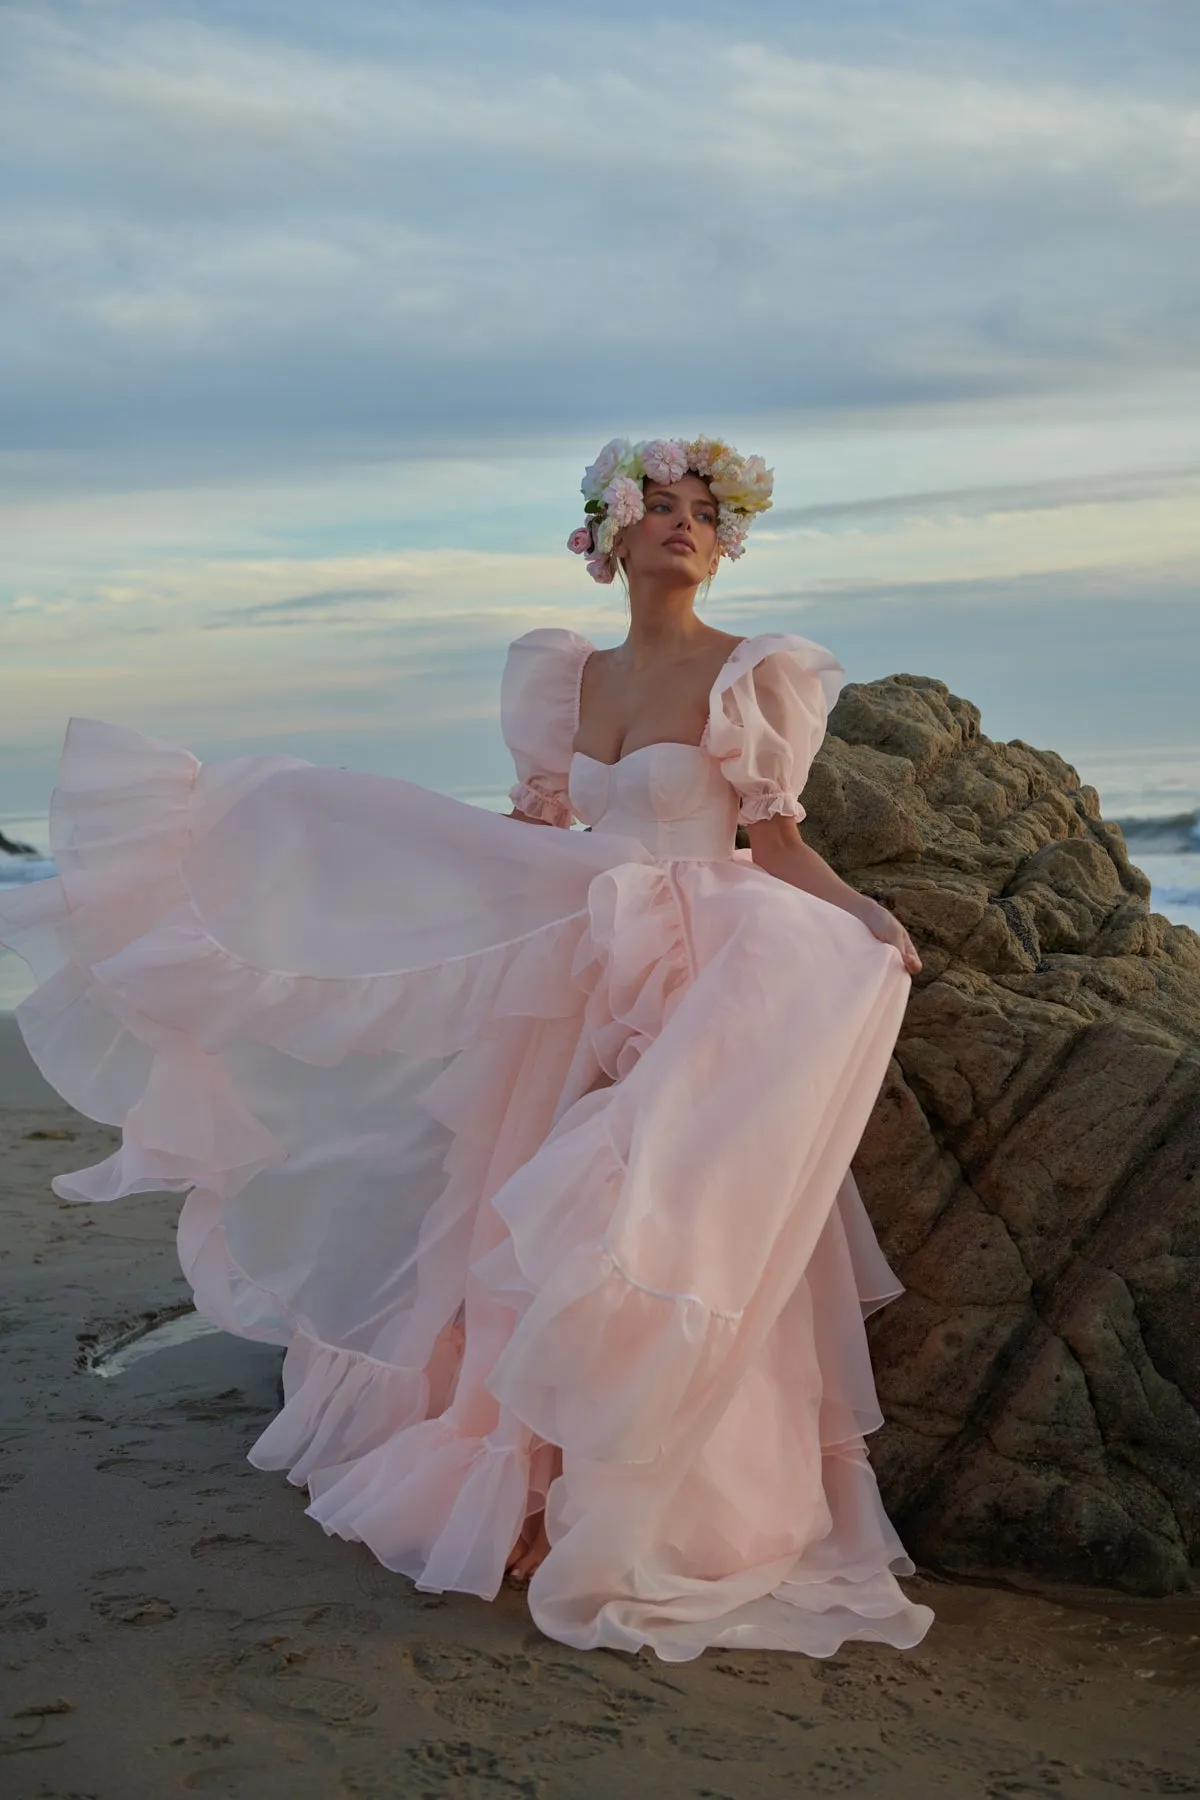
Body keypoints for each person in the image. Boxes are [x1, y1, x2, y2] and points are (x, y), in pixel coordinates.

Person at [0, 434, 933, 1662]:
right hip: (574, 974)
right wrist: (411, 877)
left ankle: (639, 1495)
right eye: (658, 505)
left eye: (705, 511)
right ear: (609, 534)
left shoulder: (750, 675)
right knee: (510, 1226)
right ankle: (530, 1490)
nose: (685, 525)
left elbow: (778, 847)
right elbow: (531, 841)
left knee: (638, 1215)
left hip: (699, 979)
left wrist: (862, 919)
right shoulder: (567, 681)